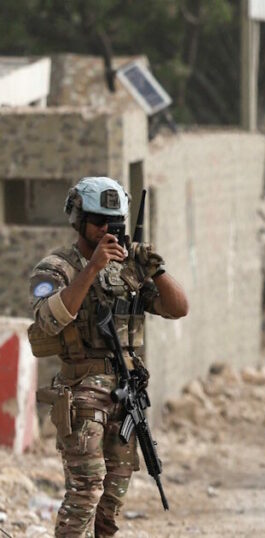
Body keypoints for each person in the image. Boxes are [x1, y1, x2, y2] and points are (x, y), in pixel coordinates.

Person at [28, 176, 189, 537]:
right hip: (81, 391)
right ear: (78, 219)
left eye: (113, 223)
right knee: (85, 489)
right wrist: (93, 269)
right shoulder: (55, 268)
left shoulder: (127, 271)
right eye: (98, 221)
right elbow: (49, 318)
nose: (105, 230)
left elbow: (178, 308)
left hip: (125, 391)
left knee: (112, 498)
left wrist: (155, 270)